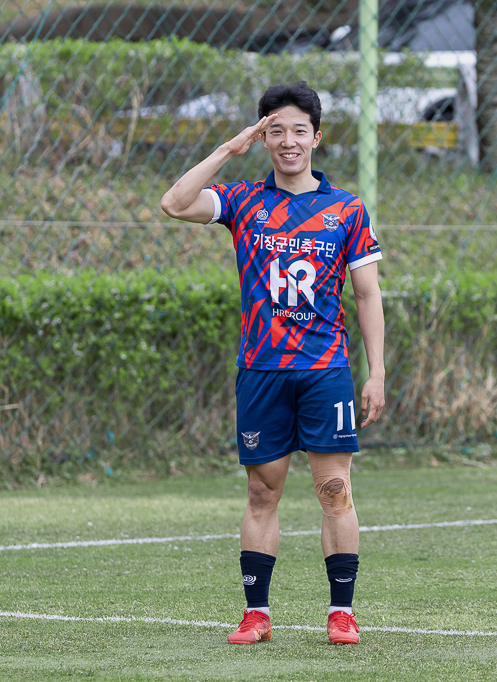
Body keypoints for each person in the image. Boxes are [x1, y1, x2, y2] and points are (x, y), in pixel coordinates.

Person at [160, 81, 386, 646]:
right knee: (263, 493)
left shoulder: (346, 210)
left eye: (298, 131)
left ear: (316, 138)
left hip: (325, 371)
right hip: (262, 371)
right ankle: (256, 614)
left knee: (334, 488)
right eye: (276, 131)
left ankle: (342, 613)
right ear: (263, 138)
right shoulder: (244, 201)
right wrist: (227, 149)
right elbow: (175, 203)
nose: (289, 141)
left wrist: (376, 371)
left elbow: (367, 294)